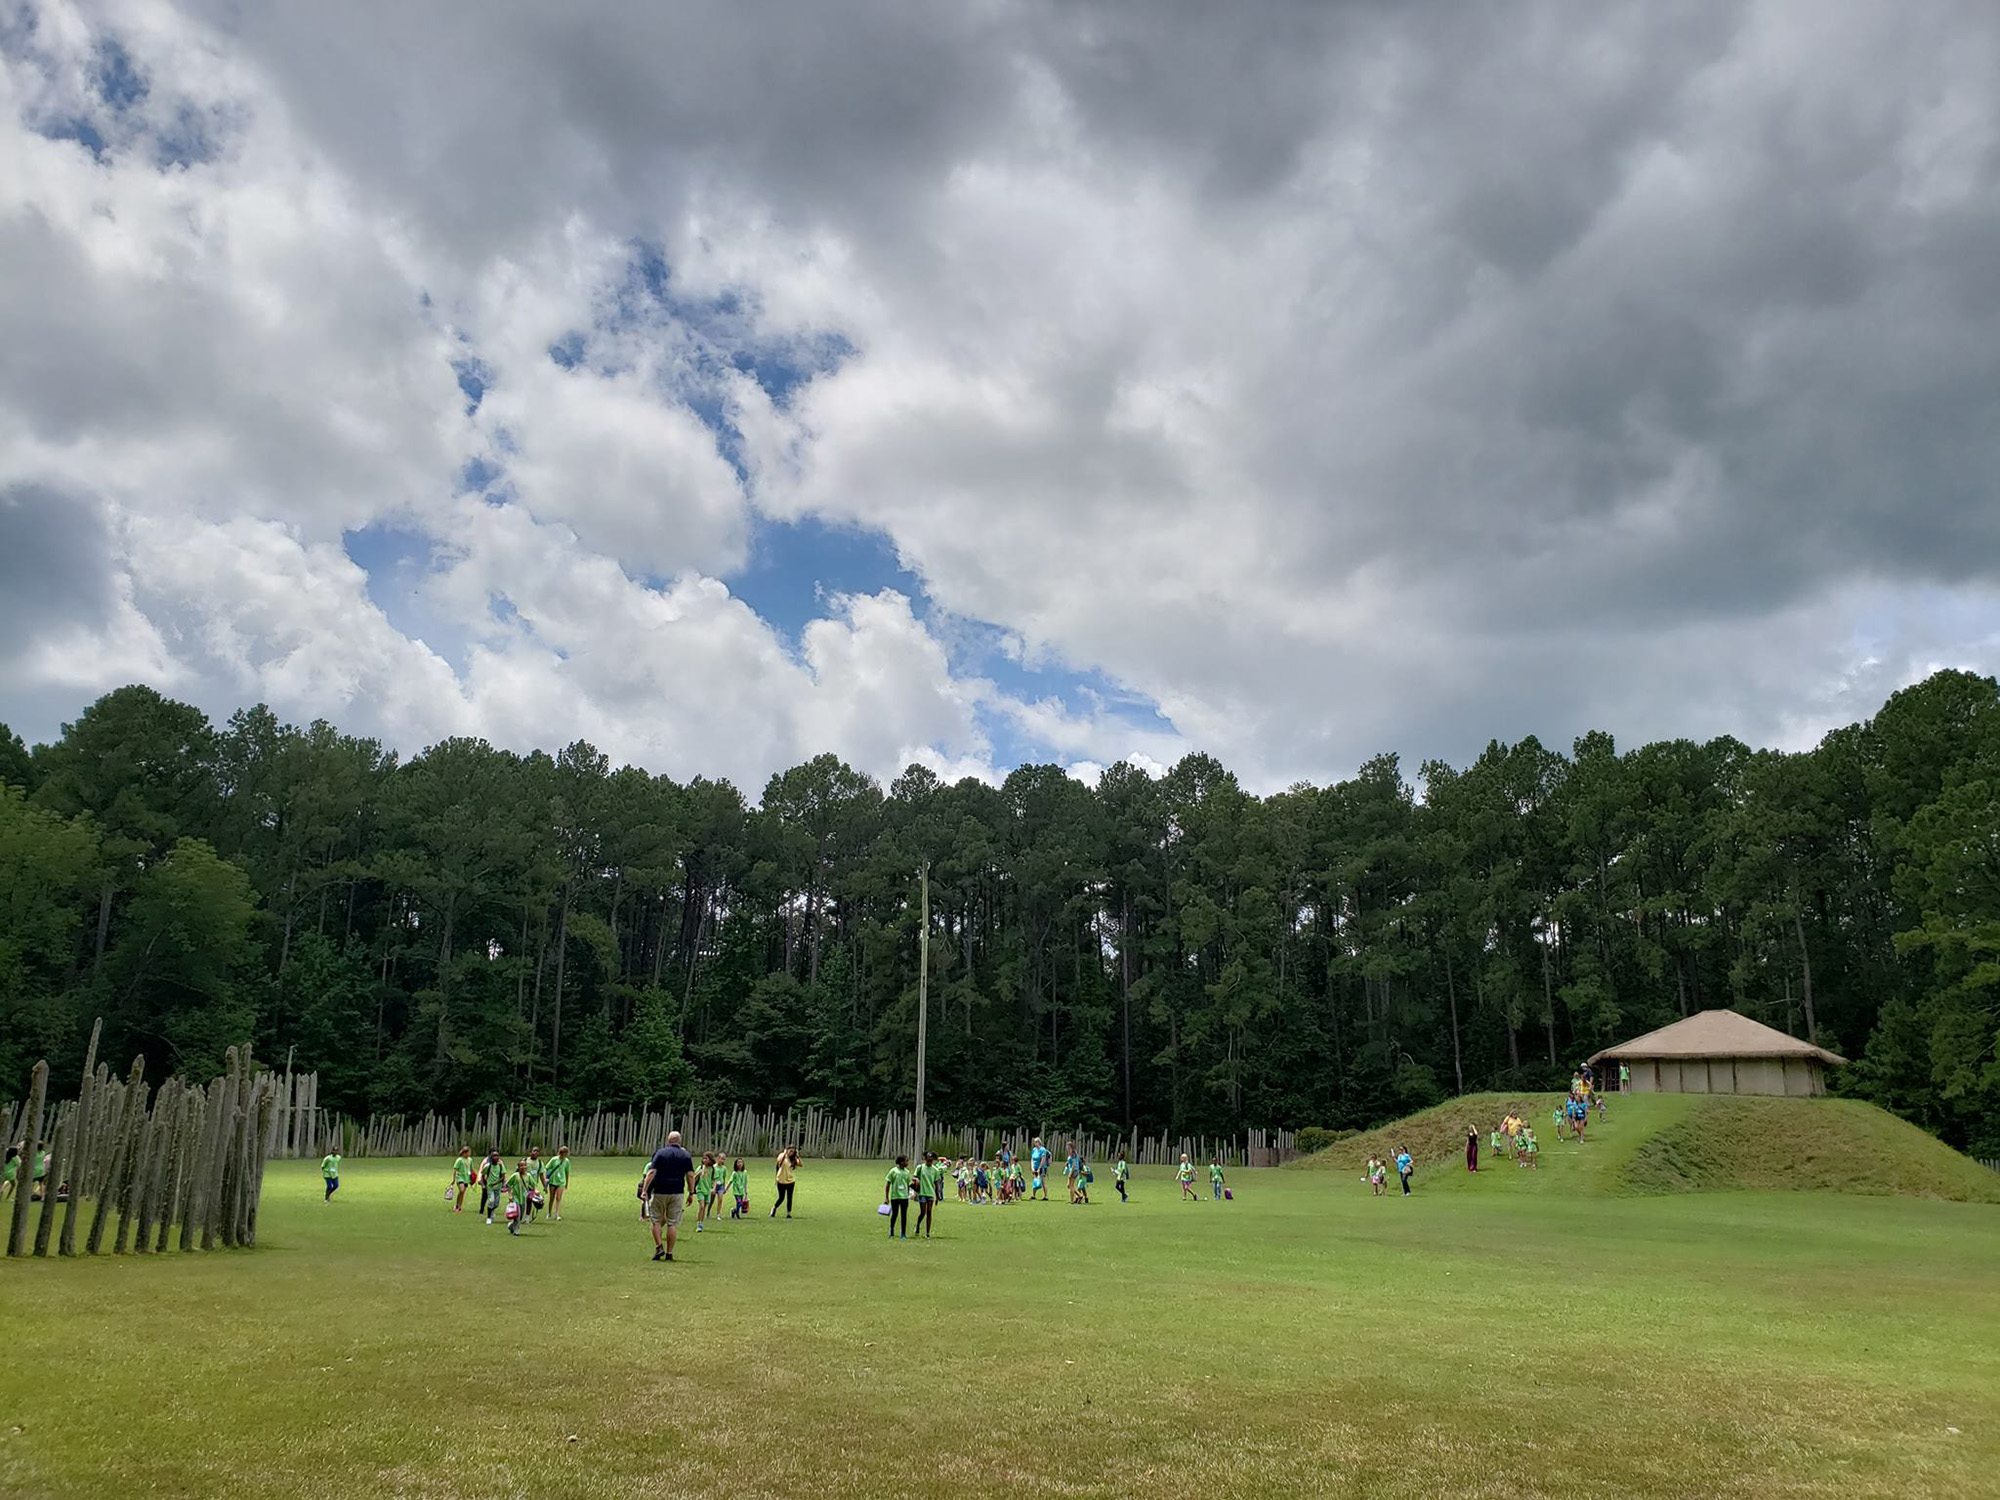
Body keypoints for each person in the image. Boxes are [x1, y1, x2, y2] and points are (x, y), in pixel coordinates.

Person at [641, 1131, 696, 1263]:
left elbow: (651, 1172)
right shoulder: (685, 1155)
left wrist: (644, 1189)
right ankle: (669, 1253)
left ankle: (659, 1246)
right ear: (679, 1141)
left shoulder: (660, 1153)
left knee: (655, 1220)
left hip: (659, 1191)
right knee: (672, 1223)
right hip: (677, 1192)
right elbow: (690, 1175)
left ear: (668, 1140)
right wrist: (691, 1192)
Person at [884, 1155, 914, 1239]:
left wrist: (909, 1194)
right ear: (901, 1162)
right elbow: (888, 1184)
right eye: (906, 1161)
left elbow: (908, 1184)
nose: (907, 1163)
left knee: (904, 1215)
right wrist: (886, 1197)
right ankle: (892, 1231)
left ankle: (903, 1233)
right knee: (895, 1214)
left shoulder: (907, 1172)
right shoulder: (893, 1171)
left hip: (904, 1197)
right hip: (895, 1196)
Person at [914, 1151, 941, 1238]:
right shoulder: (920, 1167)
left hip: (930, 1193)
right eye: (928, 1160)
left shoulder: (935, 1170)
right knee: (923, 1212)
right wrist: (916, 1180)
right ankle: (918, 1225)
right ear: (925, 1159)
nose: (929, 1162)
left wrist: (937, 1196)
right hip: (922, 1192)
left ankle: (927, 1232)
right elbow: (914, 1177)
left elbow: (936, 1183)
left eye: (931, 1160)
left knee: (929, 1212)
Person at [504, 1159, 531, 1236]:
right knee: (518, 1216)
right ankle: (516, 1231)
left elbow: (533, 1185)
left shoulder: (528, 1176)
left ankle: (511, 1225)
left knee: (520, 1216)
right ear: (518, 1167)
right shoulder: (515, 1176)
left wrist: (536, 1191)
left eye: (524, 1165)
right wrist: (510, 1195)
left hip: (523, 1199)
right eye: (521, 1166)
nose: (523, 1167)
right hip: (516, 1198)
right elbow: (508, 1185)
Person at [772, 1146, 799, 1219]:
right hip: (781, 1180)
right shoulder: (782, 1156)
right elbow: (778, 1160)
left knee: (789, 1198)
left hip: (790, 1181)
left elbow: (801, 1164)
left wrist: (797, 1157)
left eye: (792, 1151)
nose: (791, 1153)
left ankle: (788, 1213)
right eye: (790, 1151)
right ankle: (774, 1208)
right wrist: (784, 1153)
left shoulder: (793, 1159)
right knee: (781, 1197)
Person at [480, 1151, 506, 1223]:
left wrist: (498, 1183)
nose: (496, 1158)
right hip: (490, 1187)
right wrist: (483, 1184)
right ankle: (488, 1218)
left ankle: (492, 1210)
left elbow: (503, 1177)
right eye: (494, 1156)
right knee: (491, 1201)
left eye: (497, 1156)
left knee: (496, 1203)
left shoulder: (500, 1166)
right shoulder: (488, 1166)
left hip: (498, 1187)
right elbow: (482, 1175)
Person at [546, 1147, 571, 1220]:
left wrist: (566, 1182)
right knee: (551, 1198)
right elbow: (547, 1167)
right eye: (563, 1152)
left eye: (565, 1153)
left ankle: (557, 1214)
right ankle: (549, 1213)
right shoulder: (554, 1159)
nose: (564, 1154)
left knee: (558, 1198)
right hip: (553, 1180)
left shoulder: (567, 1161)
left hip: (561, 1181)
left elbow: (567, 1171)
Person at [450, 1146, 474, 1213]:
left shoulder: (470, 1160)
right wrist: (454, 1179)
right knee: (462, 1190)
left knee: (463, 1193)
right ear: (464, 1153)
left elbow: (471, 1169)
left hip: (466, 1178)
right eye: (468, 1152)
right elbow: (455, 1169)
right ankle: (457, 1205)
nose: (469, 1154)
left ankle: (459, 1206)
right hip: (460, 1177)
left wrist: (473, 1178)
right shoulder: (459, 1160)